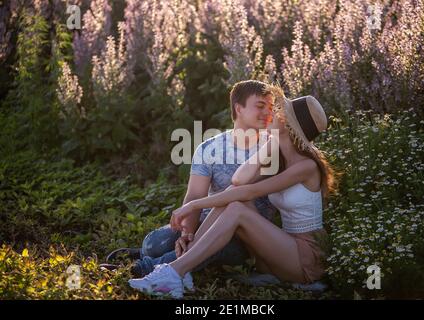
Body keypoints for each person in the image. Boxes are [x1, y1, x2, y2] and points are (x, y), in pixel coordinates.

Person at [128, 86, 336, 298]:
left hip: (304, 258)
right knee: (233, 197)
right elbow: (239, 181)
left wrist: (193, 206)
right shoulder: (279, 159)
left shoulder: (305, 167)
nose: (271, 113)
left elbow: (249, 192)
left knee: (237, 207)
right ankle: (182, 268)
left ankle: (175, 271)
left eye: (279, 111)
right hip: (278, 249)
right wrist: (272, 142)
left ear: (288, 125)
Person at [101, 80, 277, 282]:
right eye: (261, 106)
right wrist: (188, 233)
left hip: (246, 237)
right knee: (154, 243)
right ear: (239, 108)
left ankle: (147, 267)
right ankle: (156, 255)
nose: (268, 113)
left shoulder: (272, 149)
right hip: (206, 223)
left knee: (218, 245)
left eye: (271, 108)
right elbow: (195, 195)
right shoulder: (210, 148)